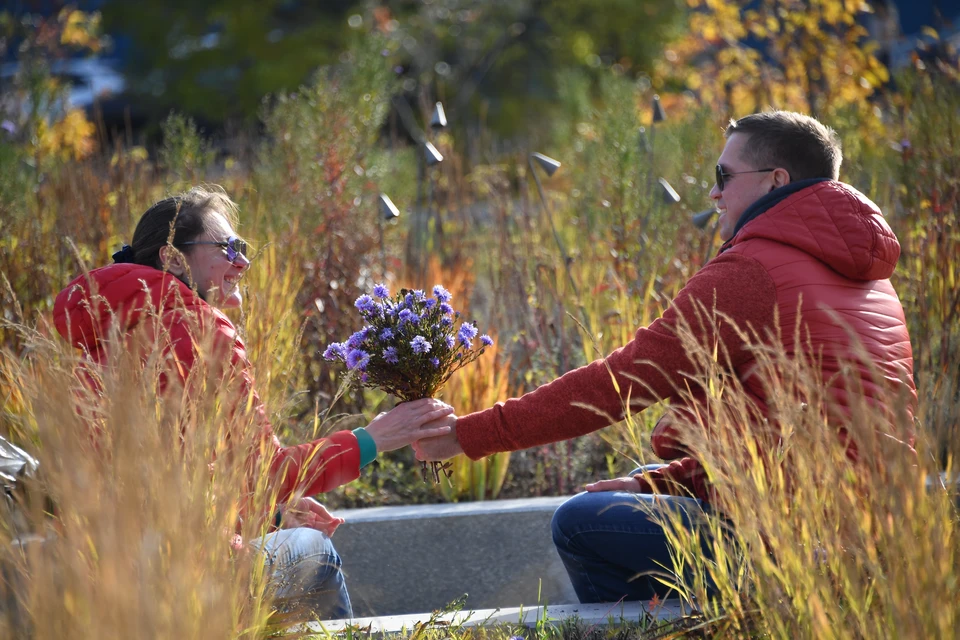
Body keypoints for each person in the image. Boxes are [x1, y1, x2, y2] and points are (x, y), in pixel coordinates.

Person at [414, 111, 917, 603]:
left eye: (723, 175)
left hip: (797, 538)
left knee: (582, 521)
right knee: (625, 499)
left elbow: (620, 382)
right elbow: (791, 440)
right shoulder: (872, 281)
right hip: (874, 533)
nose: (713, 193)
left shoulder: (754, 269)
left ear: (774, 181)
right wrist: (656, 481)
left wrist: (467, 435)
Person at [53, 185, 454, 620]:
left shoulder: (102, 340)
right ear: (171, 258)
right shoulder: (202, 330)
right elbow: (270, 470)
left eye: (241, 248)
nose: (242, 261)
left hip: (99, 579)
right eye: (227, 248)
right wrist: (374, 438)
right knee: (316, 551)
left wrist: (274, 514)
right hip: (190, 576)